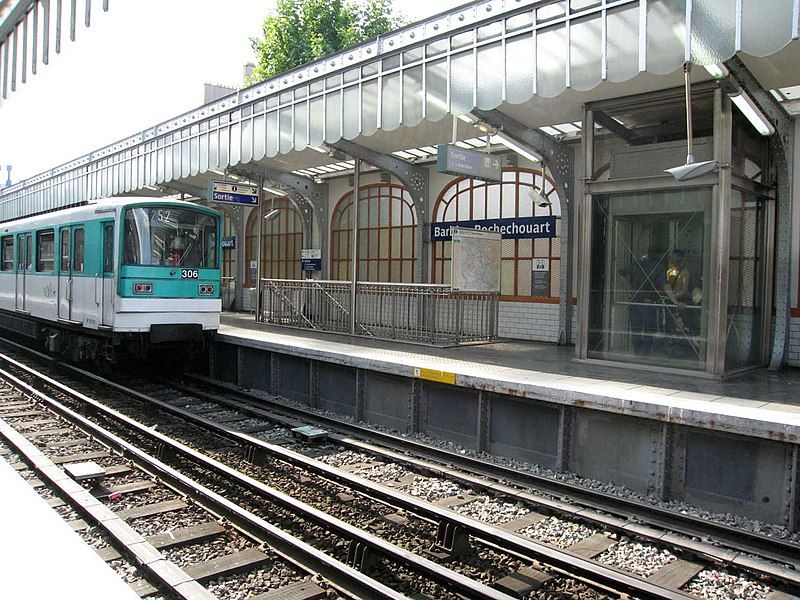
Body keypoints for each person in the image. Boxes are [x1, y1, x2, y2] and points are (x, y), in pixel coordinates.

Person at [619, 248, 664, 356]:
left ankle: (637, 353)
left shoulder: (636, 264)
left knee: (636, 329)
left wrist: (630, 286)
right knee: (649, 330)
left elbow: (622, 272)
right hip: (648, 302)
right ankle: (644, 354)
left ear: (647, 255)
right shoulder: (659, 267)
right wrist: (675, 300)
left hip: (635, 302)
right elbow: (664, 285)